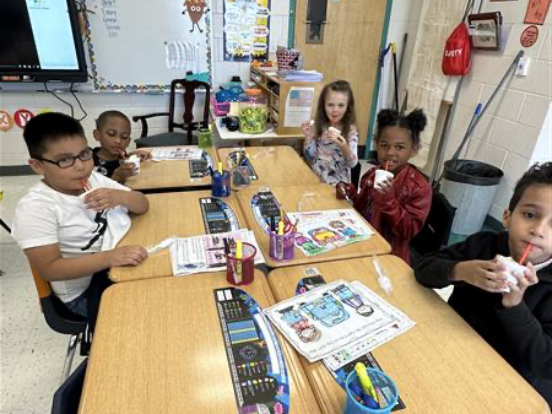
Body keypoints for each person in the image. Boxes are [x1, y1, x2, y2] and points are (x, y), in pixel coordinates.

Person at [414, 162, 552, 406]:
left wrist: (515, 307)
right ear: (507, 217)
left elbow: (544, 363)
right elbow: (423, 268)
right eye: (530, 215)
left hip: (504, 385)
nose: (538, 230)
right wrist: (460, 270)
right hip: (449, 352)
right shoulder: (483, 245)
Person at [11, 112, 150, 330]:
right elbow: (50, 269)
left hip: (114, 261)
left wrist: (120, 196)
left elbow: (142, 204)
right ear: (38, 166)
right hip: (84, 292)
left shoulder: (92, 178)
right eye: (65, 160)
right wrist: (110, 257)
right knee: (152, 309)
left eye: (84, 154)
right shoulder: (36, 208)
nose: (81, 166)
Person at [340, 108, 431, 264]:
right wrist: (351, 193)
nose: (390, 152)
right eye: (384, 145)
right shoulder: (373, 173)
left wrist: (388, 200)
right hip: (363, 243)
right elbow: (363, 209)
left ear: (414, 149)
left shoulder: (419, 188)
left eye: (400, 147)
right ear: (376, 143)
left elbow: (407, 231)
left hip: (389, 256)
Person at [302, 80, 358, 185]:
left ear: (348, 107)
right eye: (330, 105)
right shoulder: (321, 126)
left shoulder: (350, 131)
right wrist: (308, 136)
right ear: (323, 106)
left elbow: (353, 163)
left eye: (341, 105)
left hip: (338, 186)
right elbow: (310, 155)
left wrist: (344, 146)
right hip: (316, 181)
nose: (335, 110)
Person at [92, 110, 151, 183]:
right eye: (111, 134)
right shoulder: (88, 163)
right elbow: (96, 192)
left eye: (124, 137)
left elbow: (123, 159)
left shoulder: (121, 154)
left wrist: (132, 156)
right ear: (97, 135)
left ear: (128, 142)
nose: (118, 141)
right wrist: (117, 177)